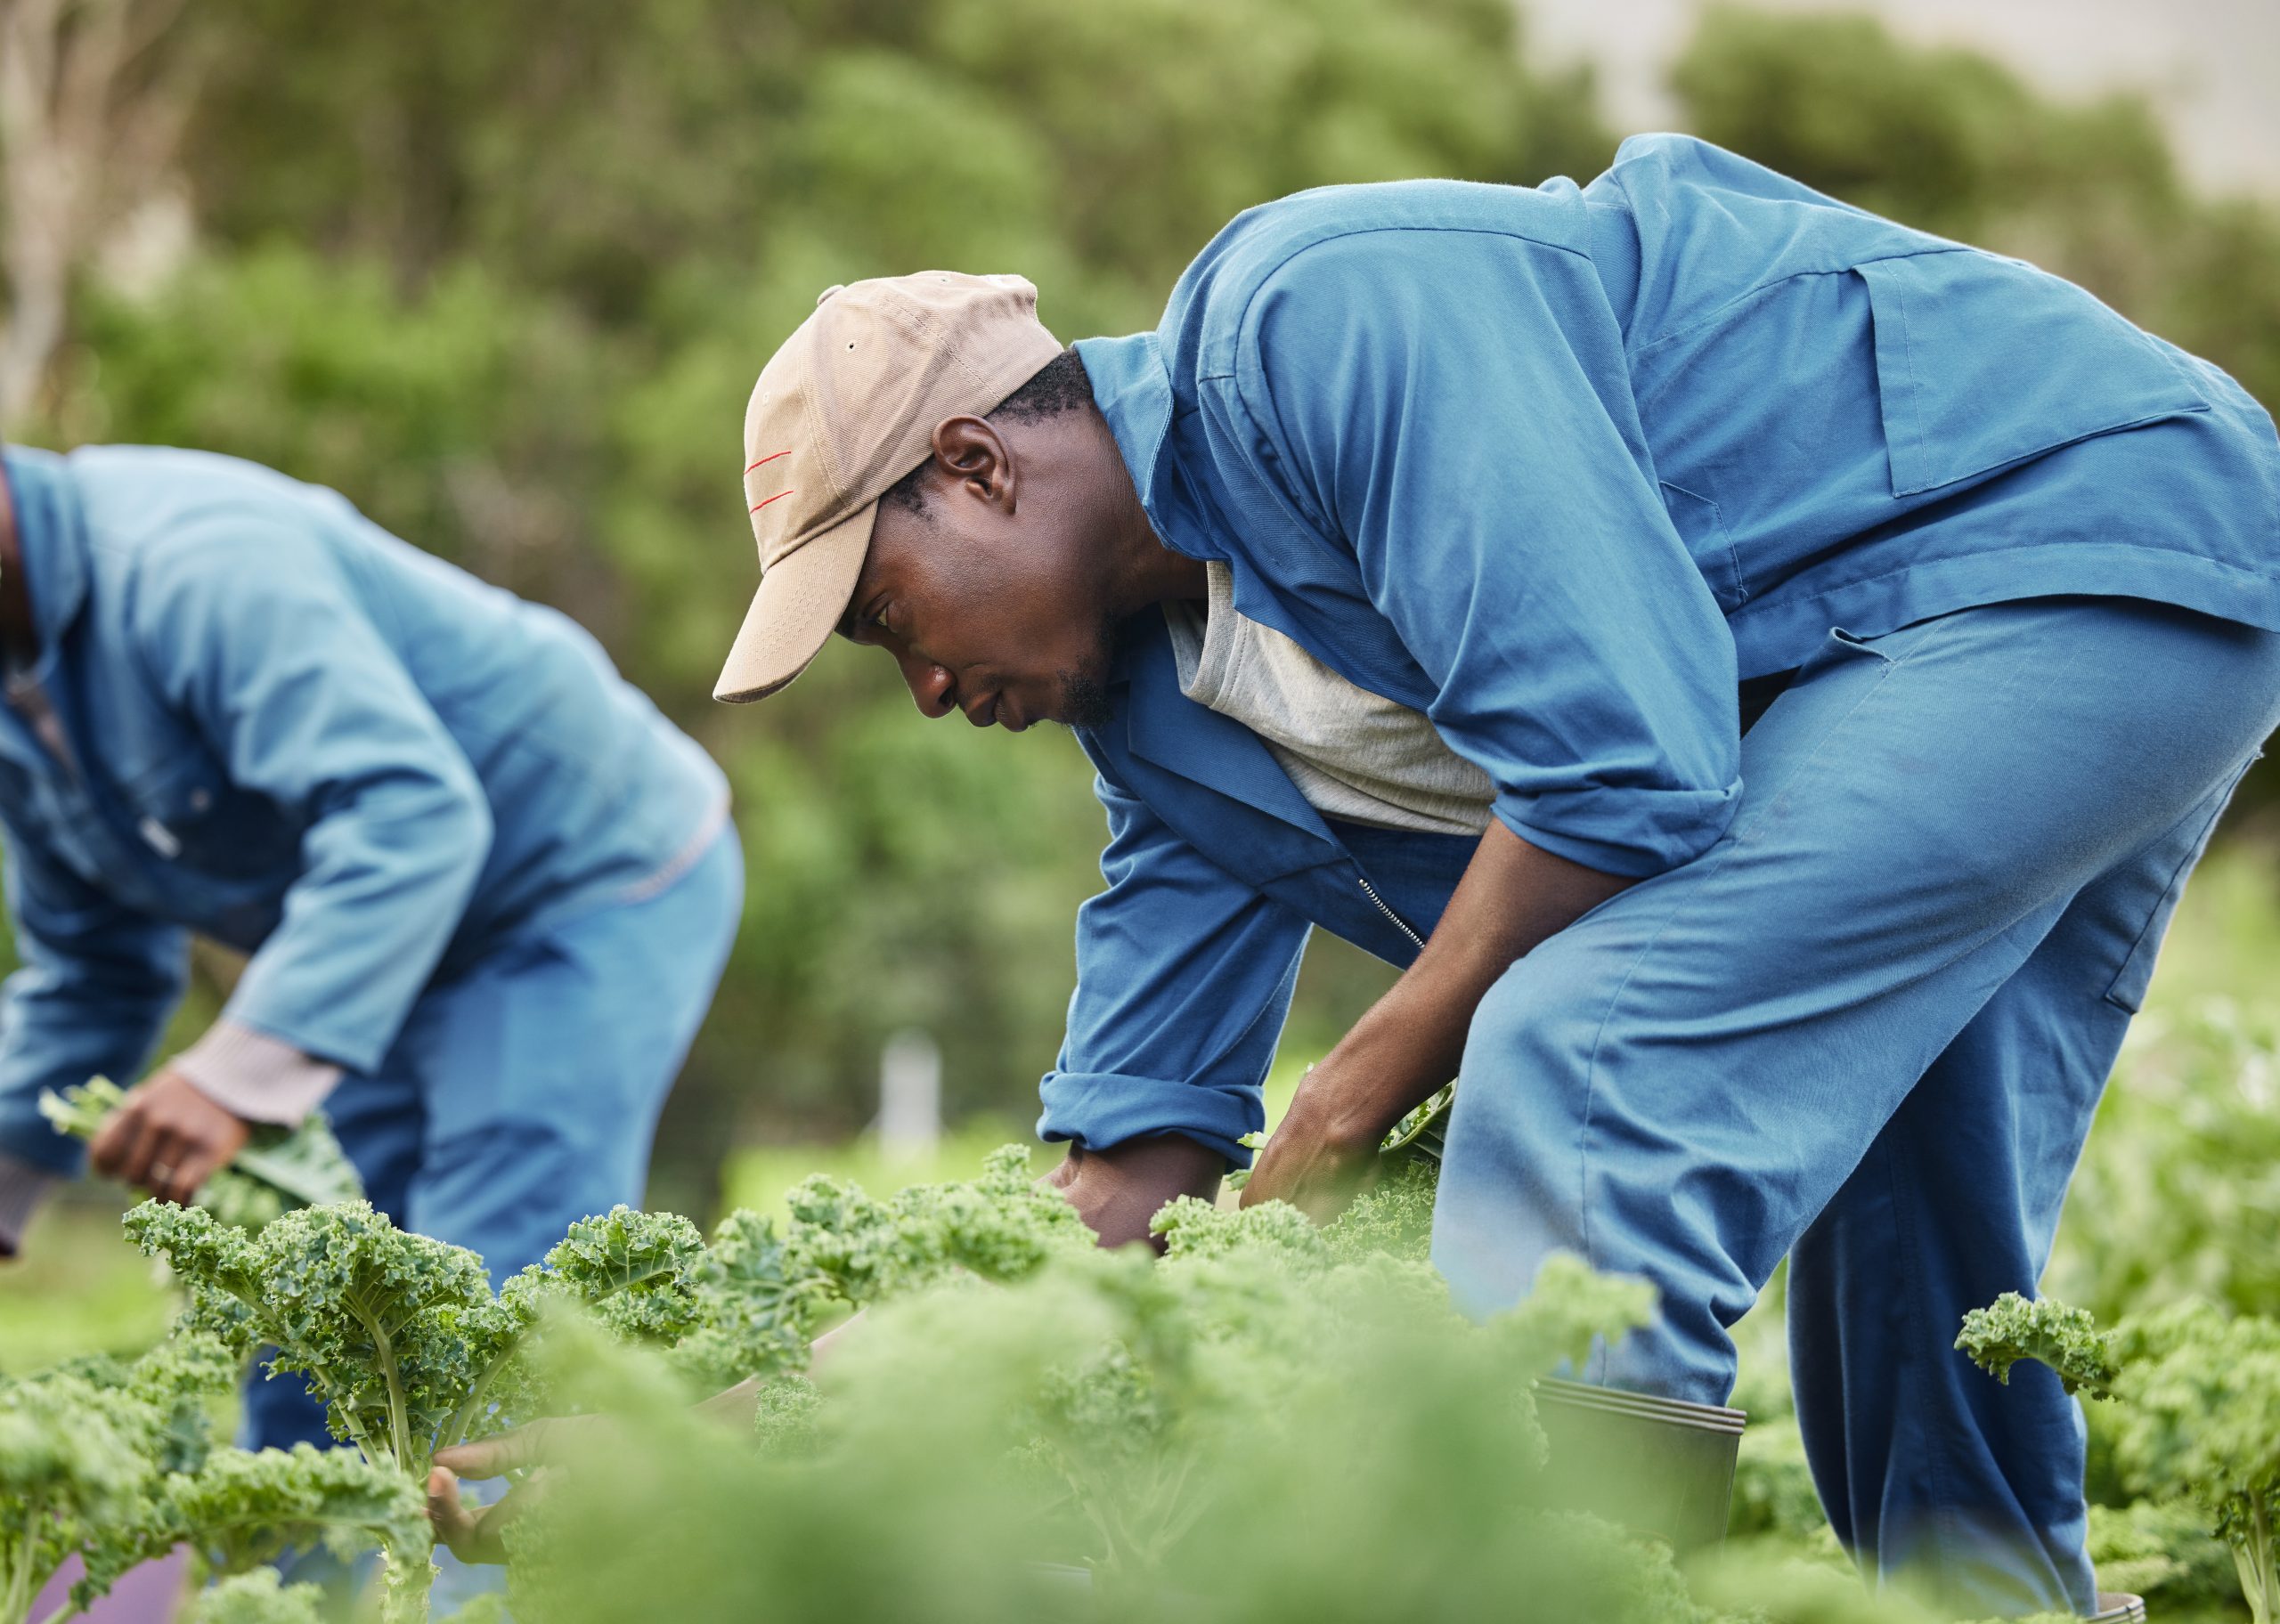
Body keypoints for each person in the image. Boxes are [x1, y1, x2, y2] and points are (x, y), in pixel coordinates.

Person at [681, 134, 2280, 1615]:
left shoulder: (1314, 317)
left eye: (888, 616)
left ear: (975, 464)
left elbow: (1628, 754)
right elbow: (1133, 1176)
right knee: (1912, 1246)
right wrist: (770, 1413)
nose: (927, 689)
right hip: (1999, 644)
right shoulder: (1167, 739)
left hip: (2068, 531)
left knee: (1593, 1059)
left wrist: (1350, 1088)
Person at [0, 441, 745, 1460]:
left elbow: (411, 817)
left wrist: (233, 1076)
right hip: (378, 944)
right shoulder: (19, 694)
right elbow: (93, 972)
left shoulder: (188, 564)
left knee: (473, 1324)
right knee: (317, 1325)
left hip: (574, 883)